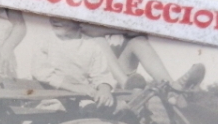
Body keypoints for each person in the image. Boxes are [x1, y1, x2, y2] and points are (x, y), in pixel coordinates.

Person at [78, 22, 208, 93]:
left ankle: (171, 87)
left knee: (138, 40)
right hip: (90, 76)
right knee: (99, 40)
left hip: (114, 71)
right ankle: (125, 82)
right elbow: (86, 28)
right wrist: (125, 29)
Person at [32, 19, 115, 109]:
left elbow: (101, 74)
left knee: (110, 106)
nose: (55, 20)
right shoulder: (46, 40)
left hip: (81, 97)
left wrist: (104, 89)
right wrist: (74, 87)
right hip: (51, 94)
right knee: (54, 107)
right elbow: (41, 73)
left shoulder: (91, 45)